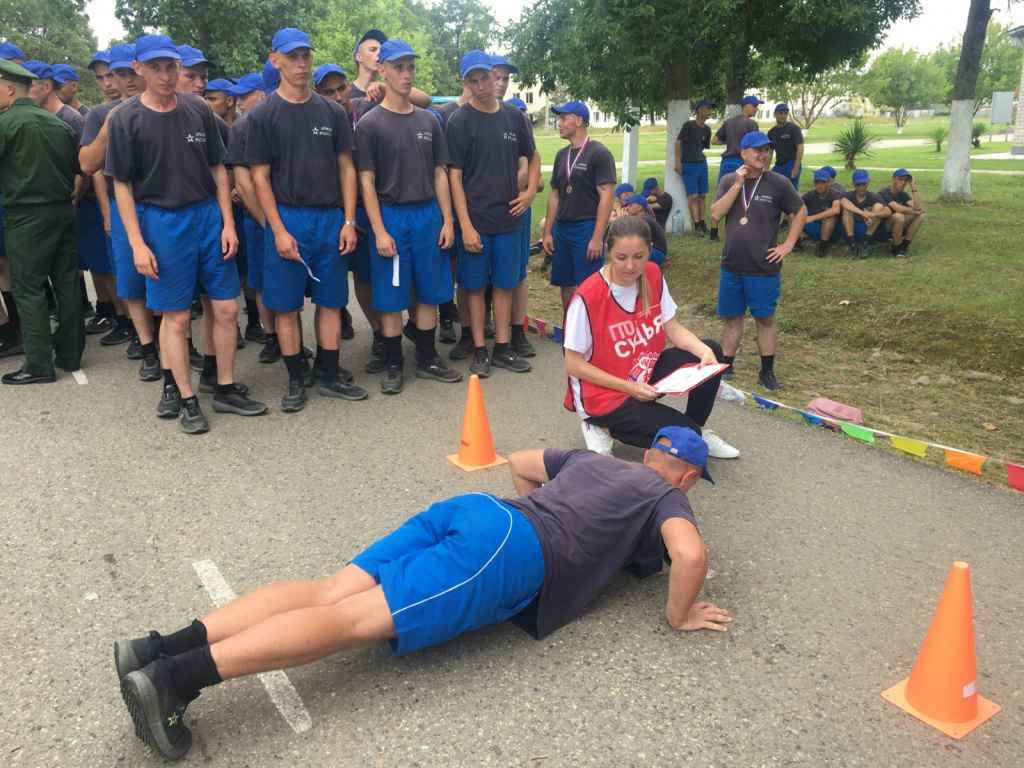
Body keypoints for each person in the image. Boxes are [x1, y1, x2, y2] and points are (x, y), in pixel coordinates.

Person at [114, 427, 730, 760]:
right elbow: (690, 554)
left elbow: (519, 460)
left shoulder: (602, 463)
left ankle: (156, 647)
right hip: (510, 550)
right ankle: (177, 676)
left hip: (480, 508)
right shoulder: (666, 496)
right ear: (690, 475)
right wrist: (678, 615)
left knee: (332, 589)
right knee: (356, 621)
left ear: (649, 451)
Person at [106, 34, 266, 431]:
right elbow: (121, 185)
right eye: (156, 67)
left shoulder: (198, 110)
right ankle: (186, 397)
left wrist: (228, 223)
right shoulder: (126, 118)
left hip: (207, 216)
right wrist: (137, 242)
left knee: (227, 306)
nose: (165, 74)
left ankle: (224, 387)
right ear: (139, 68)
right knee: (176, 318)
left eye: (171, 66)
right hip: (160, 222)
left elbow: (218, 169)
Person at [246, 27, 367, 411]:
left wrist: (348, 222)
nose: (300, 63)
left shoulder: (331, 111)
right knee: (286, 306)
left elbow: (347, 170)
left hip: (329, 219)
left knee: (331, 302)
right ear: (275, 59)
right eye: (292, 56)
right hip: (288, 218)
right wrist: (277, 229)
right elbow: (259, 178)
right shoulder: (263, 114)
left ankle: (330, 375)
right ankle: (296, 379)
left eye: (305, 56)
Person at [562, 214, 738, 458]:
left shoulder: (653, 275)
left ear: (650, 251)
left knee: (712, 350)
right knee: (686, 437)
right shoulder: (587, 297)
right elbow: (573, 364)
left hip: (641, 376)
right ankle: (601, 427)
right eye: (621, 257)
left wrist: (701, 350)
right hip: (604, 395)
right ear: (608, 251)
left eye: (639, 257)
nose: (630, 266)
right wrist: (629, 387)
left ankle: (699, 428)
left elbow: (672, 327)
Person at [355, 40, 462, 394]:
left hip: (427, 215)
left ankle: (429, 358)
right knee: (390, 295)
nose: (406, 73)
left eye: (410, 67)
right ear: (382, 70)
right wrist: (379, 230)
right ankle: (394, 363)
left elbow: (440, 174)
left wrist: (447, 220)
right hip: (392, 216)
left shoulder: (428, 121)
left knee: (429, 292)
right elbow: (366, 182)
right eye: (398, 67)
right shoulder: (370, 124)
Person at [445, 50, 539, 377]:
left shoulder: (515, 117)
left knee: (504, 284)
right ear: (465, 82)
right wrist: (466, 226)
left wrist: (528, 193)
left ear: (493, 75)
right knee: (473, 286)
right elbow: (454, 177)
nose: (482, 86)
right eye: (474, 80)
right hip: (475, 221)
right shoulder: (459, 121)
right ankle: (479, 350)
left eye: (486, 77)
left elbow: (533, 156)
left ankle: (501, 348)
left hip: (509, 221)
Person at [0, 58, 85, 384]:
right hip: (63, 210)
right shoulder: (59, 125)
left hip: (26, 215)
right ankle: (70, 353)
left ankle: (37, 364)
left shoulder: (6, 124)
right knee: (66, 282)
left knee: (28, 286)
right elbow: (74, 169)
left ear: (9, 87)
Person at [710, 131, 805, 392]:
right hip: (732, 265)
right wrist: (738, 185)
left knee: (765, 319)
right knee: (732, 317)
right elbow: (716, 214)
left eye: (767, 150)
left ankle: (767, 371)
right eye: (758, 150)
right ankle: (726, 366)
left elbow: (800, 211)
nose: (764, 154)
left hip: (763, 268)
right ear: (744, 154)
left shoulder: (778, 183)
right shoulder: (730, 179)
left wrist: (788, 244)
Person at [226, 66, 280, 365]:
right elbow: (241, 180)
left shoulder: (285, 117)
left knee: (287, 282)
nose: (239, 102)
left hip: (291, 214)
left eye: (245, 96)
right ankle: (271, 337)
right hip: (258, 218)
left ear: (262, 94)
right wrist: (267, 223)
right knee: (259, 280)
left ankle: (289, 339)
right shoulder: (242, 127)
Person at [542, 101, 616, 309]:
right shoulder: (561, 155)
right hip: (562, 229)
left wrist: (596, 238)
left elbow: (607, 198)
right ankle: (571, 328)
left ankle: (591, 333)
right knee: (565, 283)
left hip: (586, 228)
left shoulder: (599, 153)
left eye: (564, 119)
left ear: (579, 120)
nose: (559, 123)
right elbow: (555, 194)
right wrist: (548, 232)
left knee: (589, 284)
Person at [491, 53, 540, 361]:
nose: (500, 83)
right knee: (481, 276)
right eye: (495, 76)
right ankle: (481, 334)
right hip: (483, 210)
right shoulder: (468, 115)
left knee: (517, 273)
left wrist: (527, 191)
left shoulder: (515, 116)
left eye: (505, 79)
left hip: (514, 206)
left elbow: (527, 164)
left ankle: (517, 332)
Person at [708, 95, 761, 243]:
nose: (757, 109)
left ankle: (713, 232)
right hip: (740, 160)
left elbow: (715, 140)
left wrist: (730, 141)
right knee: (741, 195)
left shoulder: (729, 121)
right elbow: (755, 145)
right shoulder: (751, 124)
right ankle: (740, 228)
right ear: (745, 106)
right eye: (754, 106)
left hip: (726, 161)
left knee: (722, 193)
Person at [674, 99, 715, 237]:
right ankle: (697, 225)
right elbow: (678, 143)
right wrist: (678, 161)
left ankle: (703, 224)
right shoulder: (689, 126)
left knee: (702, 195)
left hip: (702, 164)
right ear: (700, 110)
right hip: (689, 165)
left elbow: (702, 146)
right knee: (693, 196)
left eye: (711, 109)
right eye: (708, 108)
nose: (710, 111)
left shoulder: (707, 129)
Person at [839, 169, 891, 259]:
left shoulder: (875, 196)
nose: (861, 187)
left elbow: (888, 211)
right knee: (847, 209)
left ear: (868, 182)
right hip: (851, 230)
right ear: (853, 185)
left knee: (879, 206)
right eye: (858, 185)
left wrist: (873, 214)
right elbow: (843, 202)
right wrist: (863, 213)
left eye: (864, 184)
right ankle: (852, 245)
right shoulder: (848, 195)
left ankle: (865, 243)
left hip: (869, 229)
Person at [878, 168, 924, 257]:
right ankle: (896, 249)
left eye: (905, 180)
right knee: (898, 216)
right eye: (900, 179)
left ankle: (904, 247)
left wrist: (913, 187)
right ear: (893, 180)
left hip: (897, 226)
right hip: (882, 228)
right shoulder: (884, 192)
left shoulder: (903, 194)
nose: (903, 182)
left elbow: (919, 207)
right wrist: (914, 212)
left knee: (921, 215)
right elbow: (898, 208)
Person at [801, 169, 842, 258]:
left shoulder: (835, 194)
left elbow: (836, 210)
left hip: (831, 231)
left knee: (830, 217)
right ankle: (796, 244)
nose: (820, 186)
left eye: (823, 182)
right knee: (794, 213)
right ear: (814, 183)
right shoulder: (810, 194)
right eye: (817, 183)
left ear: (829, 182)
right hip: (815, 227)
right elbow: (795, 205)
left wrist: (812, 218)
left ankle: (821, 248)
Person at [620, 194, 668, 264]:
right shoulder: (642, 218)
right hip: (651, 250)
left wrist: (622, 218)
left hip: (657, 253)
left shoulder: (645, 220)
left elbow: (627, 235)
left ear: (639, 207)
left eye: (630, 205)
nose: (627, 208)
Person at [766, 103, 803, 192]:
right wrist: (765, 168)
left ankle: (794, 206)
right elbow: (770, 152)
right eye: (780, 113)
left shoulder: (794, 129)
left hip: (791, 163)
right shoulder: (771, 132)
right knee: (773, 187)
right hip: (779, 165)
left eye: (785, 113)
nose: (783, 115)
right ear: (775, 114)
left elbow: (800, 147)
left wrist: (796, 167)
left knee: (791, 190)